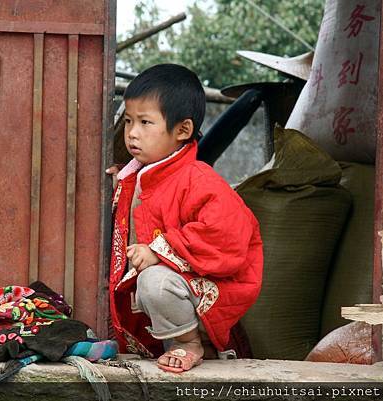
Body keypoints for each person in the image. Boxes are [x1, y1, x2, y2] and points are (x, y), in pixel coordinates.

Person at [106, 64, 263, 373]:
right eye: (128, 121)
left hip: (188, 296)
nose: (132, 132)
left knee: (153, 281)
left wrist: (159, 249)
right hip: (164, 301)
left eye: (145, 122)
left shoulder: (199, 179)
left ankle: (190, 343)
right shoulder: (135, 176)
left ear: (182, 130)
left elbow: (227, 234)